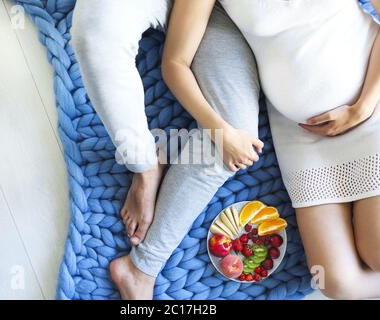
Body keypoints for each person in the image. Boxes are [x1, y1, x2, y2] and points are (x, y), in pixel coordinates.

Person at [159, 0, 380, 300]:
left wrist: (362, 108)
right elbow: (175, 62)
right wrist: (220, 130)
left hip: (375, 104)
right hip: (302, 137)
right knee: (337, 283)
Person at [71, 1, 263, 299]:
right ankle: (144, 165)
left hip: (225, 12)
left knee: (237, 139)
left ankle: (142, 269)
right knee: (95, 35)